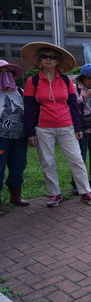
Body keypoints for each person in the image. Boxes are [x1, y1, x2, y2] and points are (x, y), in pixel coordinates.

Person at [22, 42, 91, 206]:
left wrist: (78, 127)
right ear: (40, 60)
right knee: (47, 161)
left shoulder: (65, 80)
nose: (48, 60)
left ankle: (86, 192)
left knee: (76, 159)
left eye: (52, 57)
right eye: (45, 56)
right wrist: (30, 132)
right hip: (43, 127)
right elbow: (28, 109)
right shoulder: (33, 81)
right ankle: (54, 194)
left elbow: (73, 105)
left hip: (66, 126)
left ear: (58, 61)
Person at [0, 60, 30, 207]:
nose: (5, 75)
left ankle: (15, 195)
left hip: (20, 138)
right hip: (1, 140)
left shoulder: (20, 92)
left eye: (8, 72)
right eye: (1, 72)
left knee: (18, 165)